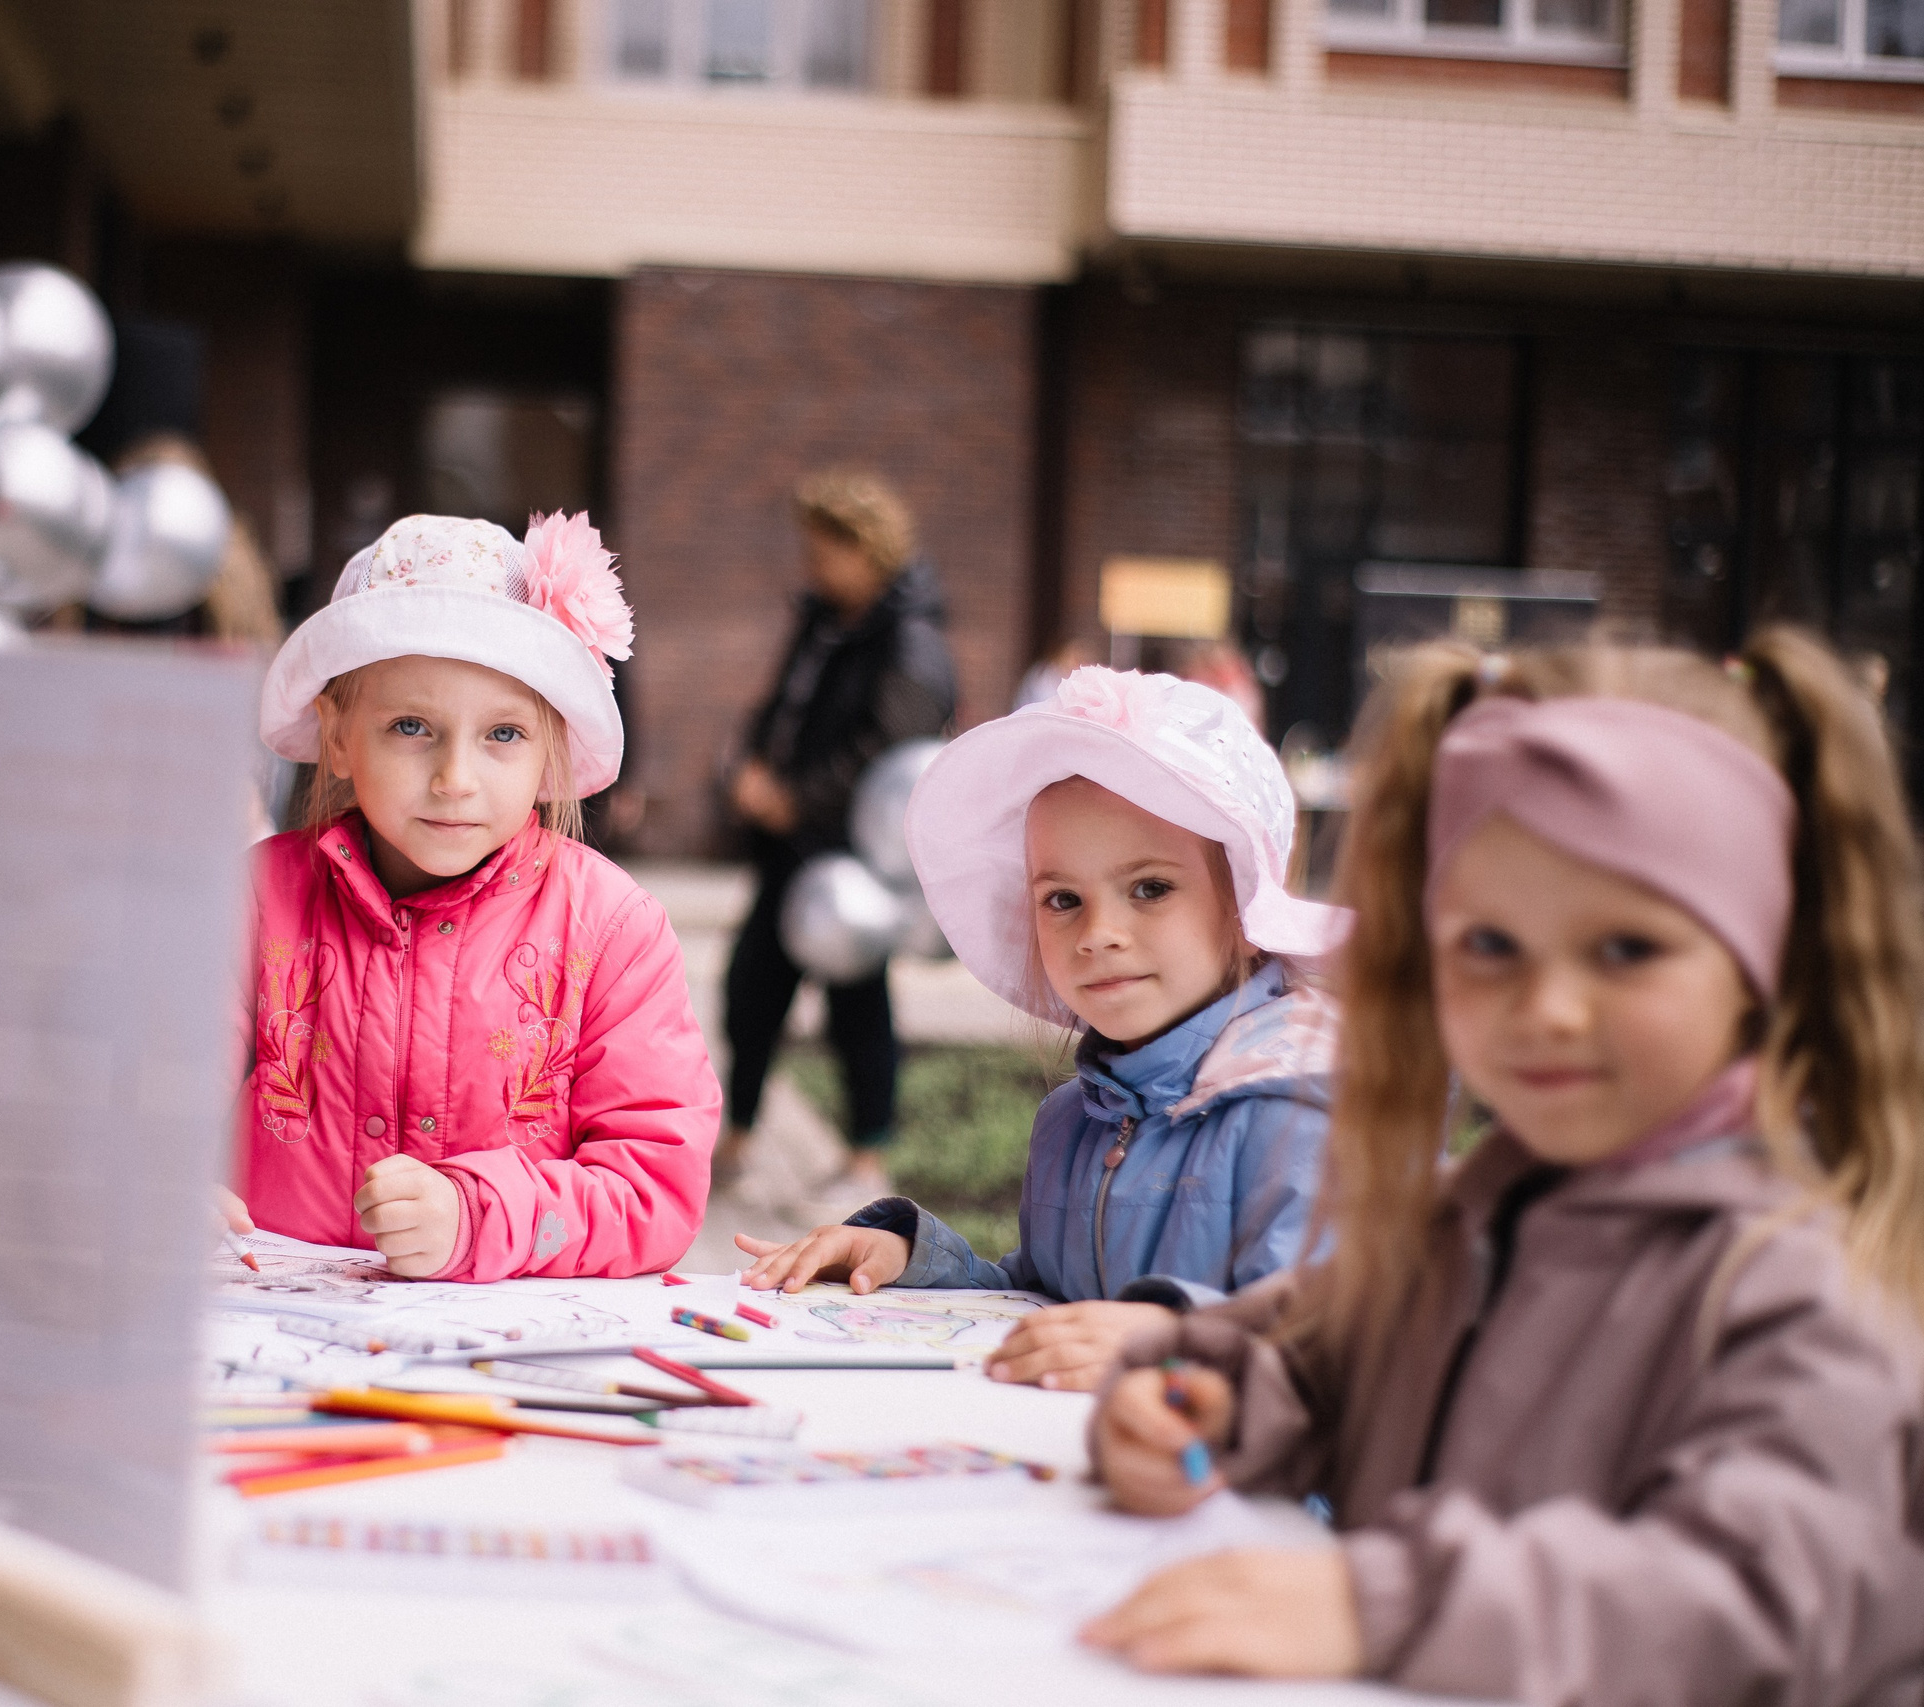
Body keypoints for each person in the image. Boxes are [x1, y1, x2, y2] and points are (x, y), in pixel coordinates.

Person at [1082, 630, 1924, 1703]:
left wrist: (1380, 1606)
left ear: (1763, 959)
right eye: (1489, 945)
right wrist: (1192, 1405)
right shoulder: (1465, 1216)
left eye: (1625, 949)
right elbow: (1305, 1357)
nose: (1546, 1009)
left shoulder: (1803, 1290)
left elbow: (1750, 1600)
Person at [737, 666, 1348, 1392]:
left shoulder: (1302, 1119)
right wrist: (907, 1258)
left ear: (1247, 915)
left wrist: (1177, 1341)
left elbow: (1337, 1350)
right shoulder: (1073, 1120)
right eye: (1063, 898)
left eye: (1149, 888)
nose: (1099, 932)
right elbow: (1043, 1299)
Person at [234, 513, 720, 1279]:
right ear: (336, 735)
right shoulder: (252, 904)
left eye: (503, 734)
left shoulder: (613, 933)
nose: (455, 777)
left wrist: (476, 1217)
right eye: (411, 725)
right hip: (273, 1340)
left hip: (500, 1355)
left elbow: (653, 1184)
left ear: (551, 747)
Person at [719, 471, 956, 1197]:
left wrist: (794, 799)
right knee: (751, 988)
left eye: (824, 552)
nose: (811, 566)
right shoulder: (822, 620)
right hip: (788, 847)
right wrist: (752, 766)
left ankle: (867, 1152)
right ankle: (741, 1131)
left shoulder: (911, 643)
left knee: (857, 1002)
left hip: (850, 859)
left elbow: (886, 749)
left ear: (866, 549)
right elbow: (782, 707)